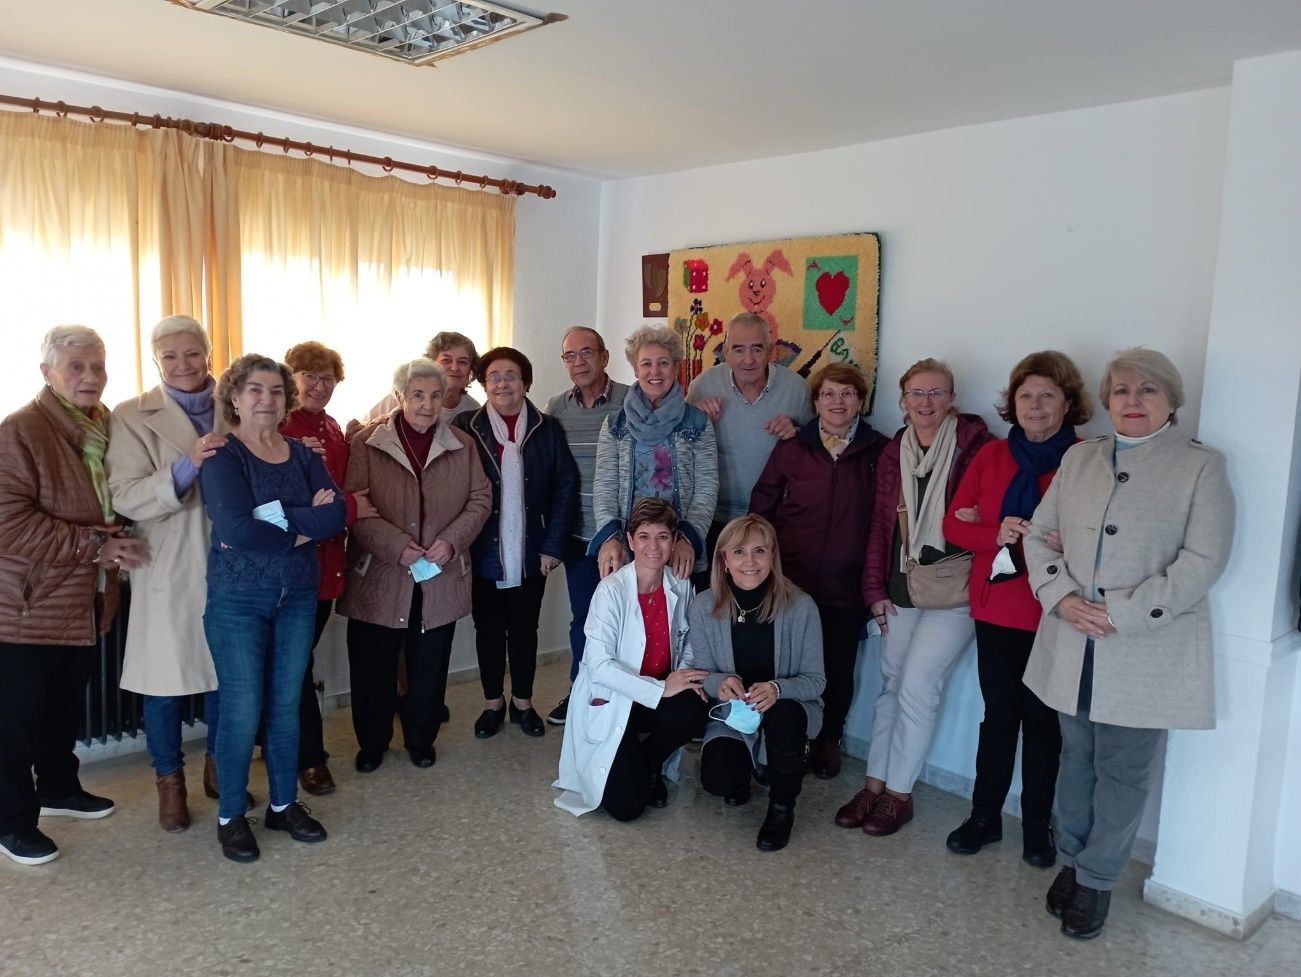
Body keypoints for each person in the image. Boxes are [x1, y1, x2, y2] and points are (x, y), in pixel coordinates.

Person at [1024, 348, 1233, 940]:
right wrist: (1061, 597)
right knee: (1076, 759)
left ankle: (1095, 881)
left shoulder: (1201, 467)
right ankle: (1071, 859)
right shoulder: (1080, 457)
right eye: (1121, 391)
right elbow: (1040, 535)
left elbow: (1203, 561)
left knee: (1122, 770)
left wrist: (1122, 614)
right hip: (1072, 643)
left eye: (1147, 391)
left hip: (1143, 649)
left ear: (1171, 401)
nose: (1133, 401)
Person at [0, 326, 147, 866]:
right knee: (14, 721)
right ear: (48, 373)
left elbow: (116, 500)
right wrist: (95, 547)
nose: (91, 377)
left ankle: (58, 788)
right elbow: (7, 523)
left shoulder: (105, 426)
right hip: (25, 605)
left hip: (85, 599)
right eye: (77, 367)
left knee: (64, 709)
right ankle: (11, 822)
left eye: (99, 367)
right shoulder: (20, 430)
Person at [940, 351, 1091, 867]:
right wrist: (994, 531)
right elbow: (953, 527)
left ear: (1067, 403)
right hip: (999, 608)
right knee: (999, 717)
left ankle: (1036, 826)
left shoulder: (1088, 461)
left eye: (1048, 394)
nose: (1035, 405)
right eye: (1026, 395)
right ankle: (984, 817)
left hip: (1055, 612)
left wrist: (1061, 538)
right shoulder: (991, 457)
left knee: (1045, 726)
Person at [836, 358, 993, 837]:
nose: (927, 403)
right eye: (917, 394)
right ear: (903, 401)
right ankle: (874, 785)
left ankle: (899, 796)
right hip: (901, 585)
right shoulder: (893, 451)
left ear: (952, 399)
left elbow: (993, 504)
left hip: (955, 588)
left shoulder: (974, 446)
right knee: (891, 683)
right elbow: (881, 525)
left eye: (937, 393)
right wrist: (874, 590)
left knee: (918, 685)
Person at [200, 354, 347, 863]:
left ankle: (284, 805)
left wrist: (284, 521)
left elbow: (339, 511)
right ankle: (231, 817)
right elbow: (236, 530)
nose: (267, 399)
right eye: (255, 391)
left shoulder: (303, 454)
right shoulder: (224, 456)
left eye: (276, 391)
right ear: (235, 398)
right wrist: (304, 524)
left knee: (286, 705)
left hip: (297, 597)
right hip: (238, 600)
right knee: (242, 709)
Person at [106, 315, 230, 832]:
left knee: (230, 678)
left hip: (231, 562)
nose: (183, 365)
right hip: (168, 565)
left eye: (192, 353)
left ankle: (221, 769)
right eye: (169, 357)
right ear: (155, 362)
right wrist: (187, 467)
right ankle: (169, 784)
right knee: (164, 685)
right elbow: (125, 495)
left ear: (209, 353)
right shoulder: (132, 414)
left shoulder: (239, 400)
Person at [340, 357, 490, 771]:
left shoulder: (463, 444)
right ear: (400, 396)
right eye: (418, 395)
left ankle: (421, 739)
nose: (427, 404)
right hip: (380, 574)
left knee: (429, 668)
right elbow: (356, 506)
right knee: (373, 667)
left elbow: (480, 500)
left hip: (437, 575)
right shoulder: (367, 443)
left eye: (436, 395)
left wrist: (451, 542)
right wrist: (397, 546)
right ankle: (372, 744)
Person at [750, 362, 887, 779]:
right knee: (783, 664)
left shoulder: (878, 451)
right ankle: (784, 738)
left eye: (846, 393)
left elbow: (886, 519)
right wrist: (761, 568)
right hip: (791, 580)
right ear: (815, 401)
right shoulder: (793, 447)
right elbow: (763, 505)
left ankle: (829, 739)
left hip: (847, 583)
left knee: (837, 667)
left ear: (860, 400)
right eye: (828, 394)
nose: (837, 402)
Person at [554, 498, 707, 820]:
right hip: (614, 700)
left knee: (694, 706)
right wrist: (660, 689)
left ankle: (649, 760)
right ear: (631, 541)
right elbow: (598, 666)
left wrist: (680, 677)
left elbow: (689, 642)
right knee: (626, 808)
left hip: (657, 697)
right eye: (645, 536)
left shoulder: (680, 585)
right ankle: (636, 761)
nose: (654, 546)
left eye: (663, 536)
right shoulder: (610, 591)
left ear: (674, 540)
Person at [455, 347, 578, 739]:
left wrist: (553, 546)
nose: (503, 383)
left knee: (525, 628)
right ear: (483, 383)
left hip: (532, 550)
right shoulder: (465, 426)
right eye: (494, 376)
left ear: (526, 382)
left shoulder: (547, 428)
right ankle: (493, 703)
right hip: (481, 550)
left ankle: (523, 703)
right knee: (488, 629)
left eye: (511, 375)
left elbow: (565, 487)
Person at [690, 515, 825, 852]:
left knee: (784, 716)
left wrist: (778, 688)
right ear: (723, 560)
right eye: (738, 552)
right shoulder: (704, 605)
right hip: (737, 716)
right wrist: (721, 681)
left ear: (772, 556)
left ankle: (781, 809)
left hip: (788, 709)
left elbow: (816, 681)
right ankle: (753, 764)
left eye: (759, 551)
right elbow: (703, 675)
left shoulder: (801, 606)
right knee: (719, 781)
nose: (749, 562)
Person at [280, 341, 378, 793]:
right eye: (309, 377)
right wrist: (354, 508)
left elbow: (339, 480)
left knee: (298, 660)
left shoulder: (333, 427)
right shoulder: (279, 428)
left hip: (329, 560)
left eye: (327, 379)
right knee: (296, 663)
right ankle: (309, 758)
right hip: (295, 560)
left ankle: (287, 745)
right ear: (291, 378)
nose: (318, 386)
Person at [543, 326, 629, 726]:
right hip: (580, 538)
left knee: (631, 622)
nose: (578, 362)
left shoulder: (633, 400)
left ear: (604, 356)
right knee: (586, 620)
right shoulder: (556, 406)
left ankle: (629, 699)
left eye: (586, 353)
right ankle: (582, 691)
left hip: (627, 536)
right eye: (569, 356)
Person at [688, 312, 811, 585]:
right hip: (715, 518)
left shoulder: (797, 389)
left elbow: (817, 454)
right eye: (738, 349)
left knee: (770, 603)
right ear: (725, 351)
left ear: (771, 351)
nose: (748, 359)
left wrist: (798, 433)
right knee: (714, 601)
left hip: (775, 520)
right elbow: (679, 449)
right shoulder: (703, 386)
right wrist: (694, 418)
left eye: (757, 349)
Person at [591, 326, 718, 581]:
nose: (655, 371)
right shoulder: (615, 424)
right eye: (646, 363)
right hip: (628, 550)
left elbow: (707, 488)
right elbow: (605, 487)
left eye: (663, 363)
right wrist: (610, 538)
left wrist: (687, 539)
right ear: (636, 370)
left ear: (675, 367)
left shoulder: (698, 423)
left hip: (679, 550)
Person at [353, 330, 480, 431]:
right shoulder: (402, 396)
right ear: (431, 364)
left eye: (463, 362)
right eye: (446, 360)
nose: (454, 368)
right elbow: (364, 430)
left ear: (470, 369)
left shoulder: (473, 410)